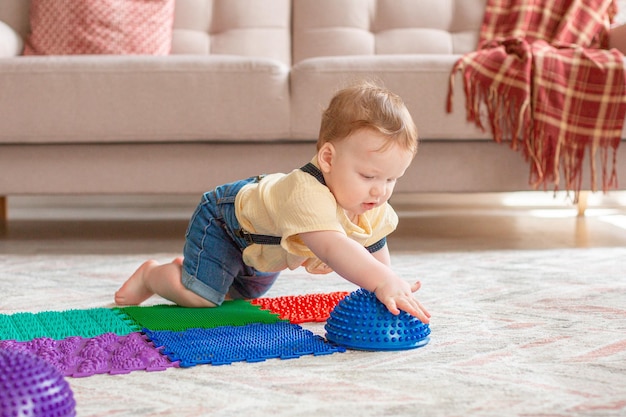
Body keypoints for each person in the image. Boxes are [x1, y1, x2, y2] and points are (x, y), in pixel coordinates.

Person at [115, 80, 431, 323]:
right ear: (328, 158)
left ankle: (195, 270)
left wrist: (387, 292)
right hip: (226, 223)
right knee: (202, 298)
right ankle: (152, 275)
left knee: (239, 296)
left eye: (392, 180)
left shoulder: (370, 204)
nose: (381, 191)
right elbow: (333, 247)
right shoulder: (307, 193)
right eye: (369, 176)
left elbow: (375, 250)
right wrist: (383, 281)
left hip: (263, 250)